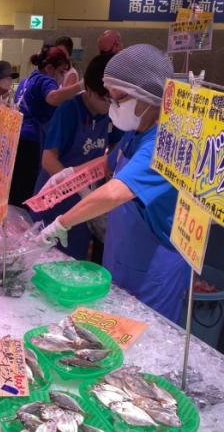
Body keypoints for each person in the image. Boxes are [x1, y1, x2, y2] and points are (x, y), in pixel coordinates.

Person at [38, 44, 191, 323]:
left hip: (153, 267)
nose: (112, 106)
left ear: (147, 97)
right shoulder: (137, 131)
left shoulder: (163, 142)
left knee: (145, 338)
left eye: (118, 98)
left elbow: (115, 192)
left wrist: (61, 222)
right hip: (122, 254)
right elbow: (106, 164)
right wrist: (68, 176)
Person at [32, 53, 123, 260]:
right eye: (104, 99)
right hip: (56, 197)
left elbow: (117, 147)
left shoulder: (112, 115)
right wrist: (76, 184)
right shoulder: (69, 110)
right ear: (88, 89)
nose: (109, 105)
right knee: (47, 257)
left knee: (75, 261)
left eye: (114, 100)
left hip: (86, 200)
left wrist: (109, 172)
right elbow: (48, 160)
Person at [10, 45, 84, 206]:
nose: (62, 77)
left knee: (16, 188)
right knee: (27, 189)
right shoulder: (45, 80)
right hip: (32, 141)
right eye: (61, 72)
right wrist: (80, 86)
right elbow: (53, 98)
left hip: (17, 138)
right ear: (50, 68)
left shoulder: (26, 81)